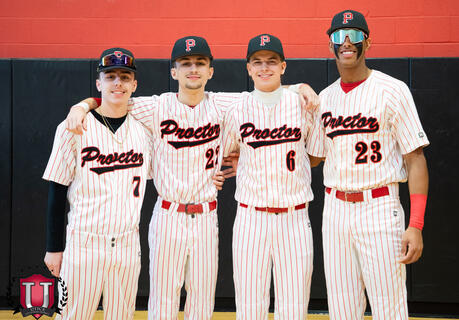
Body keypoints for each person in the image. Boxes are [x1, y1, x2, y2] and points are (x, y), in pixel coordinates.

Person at [65, 36, 319, 320]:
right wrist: (82, 106)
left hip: (207, 216)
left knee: (201, 301)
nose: (193, 69)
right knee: (162, 300)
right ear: (173, 72)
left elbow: (267, 89)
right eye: (185, 64)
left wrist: (299, 87)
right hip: (167, 214)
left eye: (200, 63)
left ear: (211, 71)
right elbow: (113, 99)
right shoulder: (156, 106)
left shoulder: (225, 104)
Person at [317, 10, 430, 319]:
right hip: (336, 210)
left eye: (355, 34)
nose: (347, 42)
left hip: (379, 206)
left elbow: (415, 158)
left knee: (389, 306)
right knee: (342, 307)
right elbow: (312, 157)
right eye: (339, 36)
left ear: (367, 42)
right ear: (331, 45)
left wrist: (416, 225)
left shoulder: (393, 90)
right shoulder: (324, 99)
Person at [43, 47, 152, 319]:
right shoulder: (72, 127)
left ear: (134, 84)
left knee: (122, 315)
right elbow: (57, 190)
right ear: (98, 83)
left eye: (125, 77)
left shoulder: (145, 129)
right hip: (84, 244)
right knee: (72, 315)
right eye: (110, 76)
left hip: (128, 244)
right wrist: (54, 248)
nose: (118, 83)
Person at [222, 34, 323, 319]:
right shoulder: (237, 109)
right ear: (248, 68)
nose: (264, 67)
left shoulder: (302, 103)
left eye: (271, 61)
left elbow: (315, 155)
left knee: (294, 305)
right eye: (257, 62)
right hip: (251, 217)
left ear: (283, 66)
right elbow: (228, 150)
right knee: (249, 305)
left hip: (294, 216)